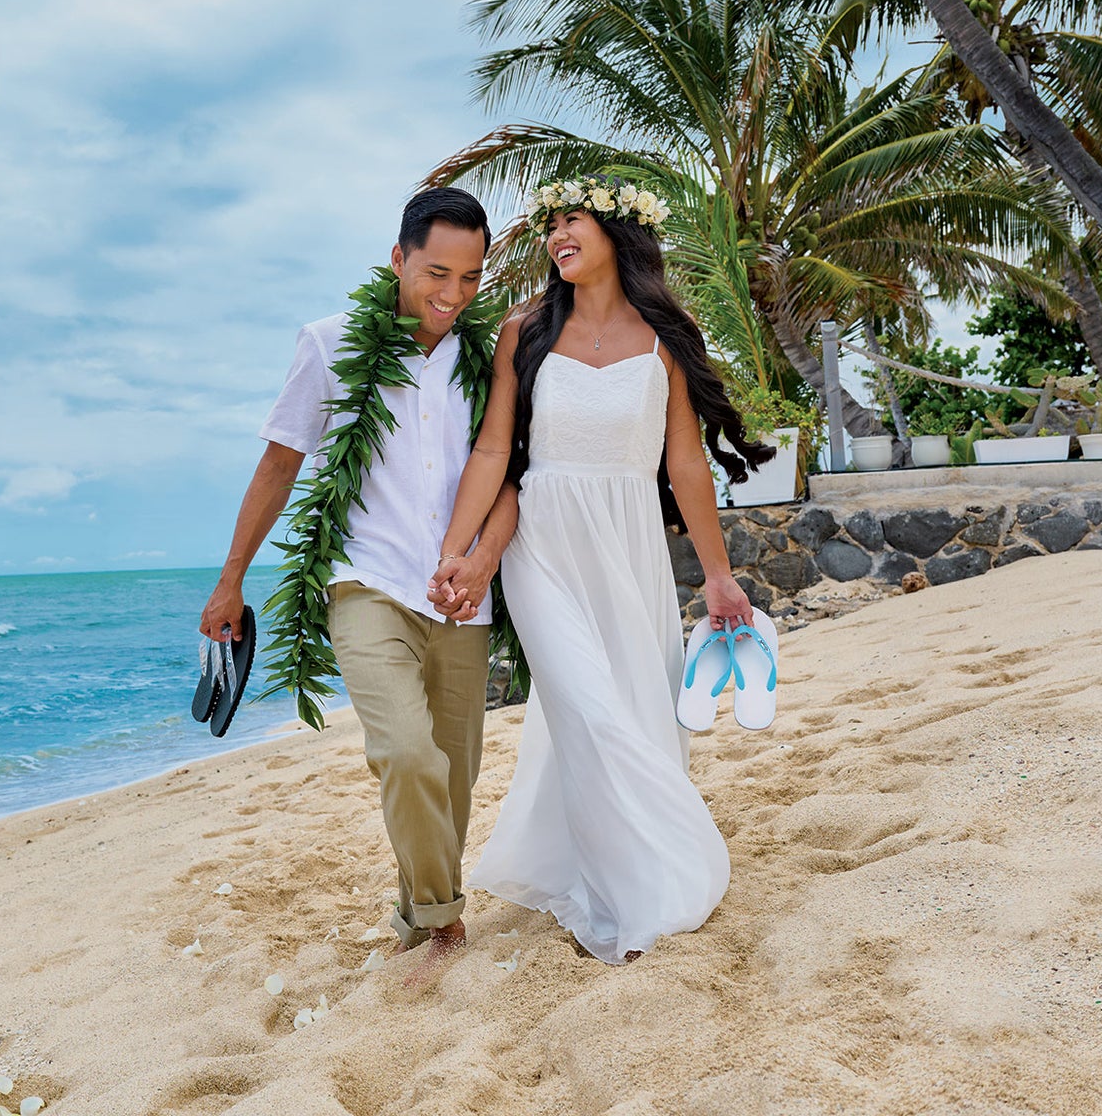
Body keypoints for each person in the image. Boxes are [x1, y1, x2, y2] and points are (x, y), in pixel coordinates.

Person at [428, 174, 773, 964]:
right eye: (550, 223)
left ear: (619, 230)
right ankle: (634, 891)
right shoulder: (527, 329)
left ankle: (622, 872)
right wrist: (457, 548)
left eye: (571, 218)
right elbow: (492, 449)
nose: (556, 234)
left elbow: (685, 462)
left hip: (628, 546)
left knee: (629, 709)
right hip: (543, 543)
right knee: (586, 707)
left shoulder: (664, 335)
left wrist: (718, 576)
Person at [200, 187, 518, 965]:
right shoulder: (330, 342)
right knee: (406, 754)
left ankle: (415, 915)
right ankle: (445, 924)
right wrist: (230, 578)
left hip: (462, 595)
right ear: (398, 258)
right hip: (366, 581)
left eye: (471, 278)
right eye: (436, 272)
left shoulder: (494, 358)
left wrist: (480, 562)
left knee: (453, 778)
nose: (451, 295)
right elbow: (279, 463)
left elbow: (512, 468)